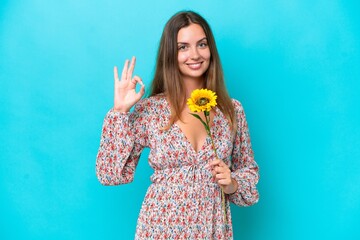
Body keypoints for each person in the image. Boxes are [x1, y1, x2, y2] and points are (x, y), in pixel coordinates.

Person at [96, 10, 259, 239]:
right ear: (171, 53)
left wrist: (232, 184)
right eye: (183, 47)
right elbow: (110, 174)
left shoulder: (230, 110)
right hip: (160, 228)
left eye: (201, 44)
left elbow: (248, 173)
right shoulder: (152, 110)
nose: (194, 54)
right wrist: (120, 111)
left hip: (212, 229)